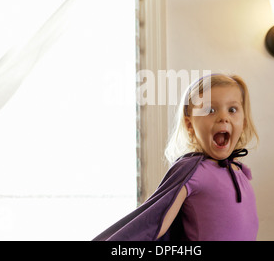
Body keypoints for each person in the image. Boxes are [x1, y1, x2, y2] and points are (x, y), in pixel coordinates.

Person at [93, 73, 259, 241]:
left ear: (243, 122)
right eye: (210, 110)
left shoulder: (239, 171)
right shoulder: (194, 172)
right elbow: (155, 222)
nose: (223, 117)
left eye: (232, 110)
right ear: (190, 125)